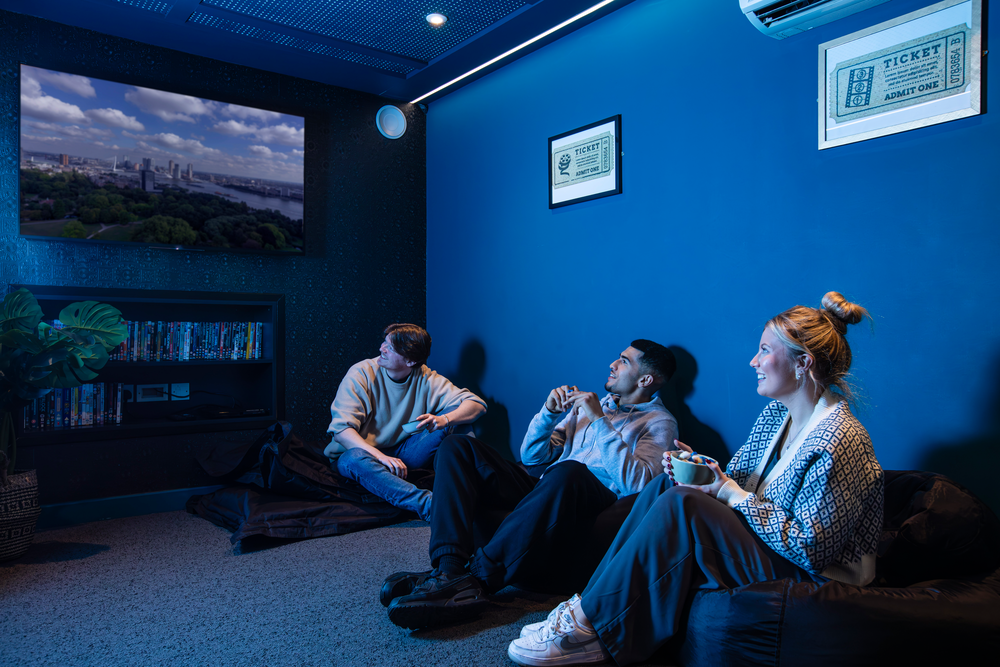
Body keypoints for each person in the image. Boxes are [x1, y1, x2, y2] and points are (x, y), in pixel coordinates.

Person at [507, 292, 884, 666]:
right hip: (766, 545)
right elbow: (736, 480)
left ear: (803, 363)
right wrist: (701, 469)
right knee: (666, 486)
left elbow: (811, 550)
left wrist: (728, 492)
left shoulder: (840, 437)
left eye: (765, 351)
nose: (753, 361)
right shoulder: (775, 415)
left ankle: (595, 630)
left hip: (812, 574)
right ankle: (586, 612)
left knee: (683, 502)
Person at [383, 339, 679, 630]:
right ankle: (447, 571)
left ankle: (477, 579)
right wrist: (549, 414)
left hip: (588, 500)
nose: (612, 365)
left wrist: (599, 420)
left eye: (624, 361)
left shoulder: (659, 422)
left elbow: (638, 484)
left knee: (569, 471)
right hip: (548, 489)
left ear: (646, 378)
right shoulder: (593, 407)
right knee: (457, 446)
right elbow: (533, 456)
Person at [325, 323, 486, 521]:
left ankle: (470, 487)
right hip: (359, 454)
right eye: (384, 342)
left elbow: (477, 404)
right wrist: (380, 457)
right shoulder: (361, 373)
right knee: (353, 459)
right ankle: (430, 506)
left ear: (410, 361)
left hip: (402, 453)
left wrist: (443, 419)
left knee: (459, 418)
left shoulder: (425, 377)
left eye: (390, 348)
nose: (381, 349)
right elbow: (341, 431)